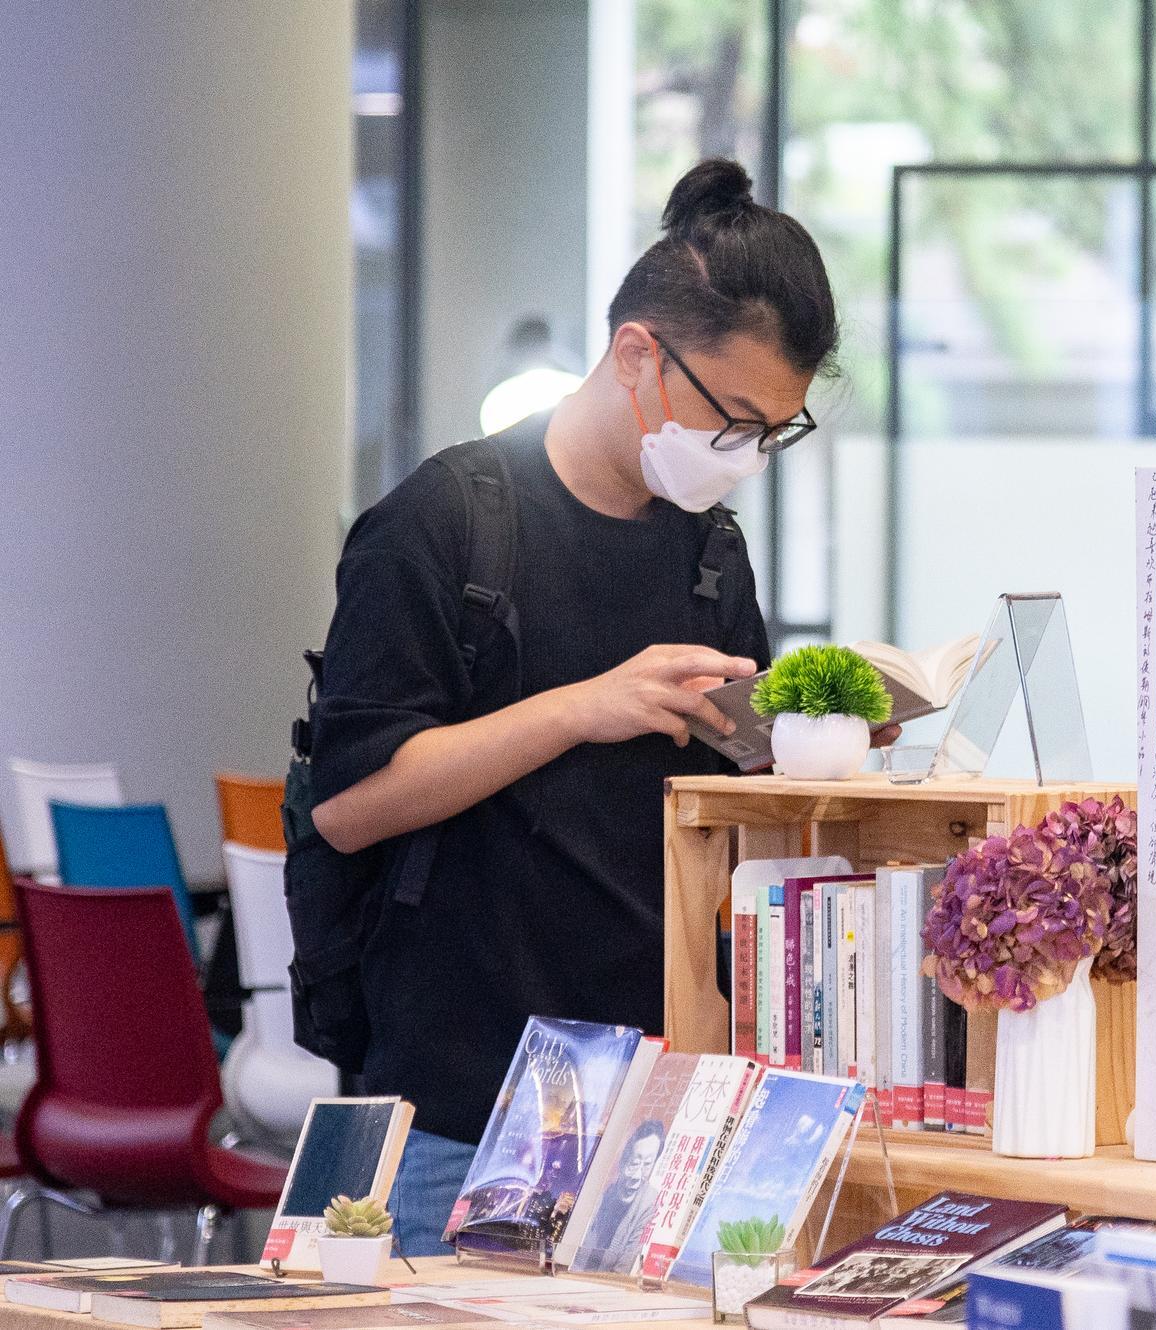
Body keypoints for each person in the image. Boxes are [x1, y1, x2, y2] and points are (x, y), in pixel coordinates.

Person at [309, 159, 883, 1254]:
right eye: (737, 419)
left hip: (657, 1113)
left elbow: (727, 809)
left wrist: (821, 748)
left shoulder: (708, 551)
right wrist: (582, 707)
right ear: (638, 356)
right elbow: (349, 804)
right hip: (459, 1112)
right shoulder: (442, 523)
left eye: (775, 433)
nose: (747, 457)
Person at [573, 1119, 667, 1269]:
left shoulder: (651, 1204)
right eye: (634, 1163)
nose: (636, 1176)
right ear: (624, 1159)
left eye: (647, 1164)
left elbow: (624, 1268)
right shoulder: (602, 1189)